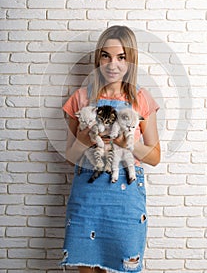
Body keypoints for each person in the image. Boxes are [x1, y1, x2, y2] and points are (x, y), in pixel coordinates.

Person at [60, 25, 161, 273]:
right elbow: (70, 157)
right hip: (88, 195)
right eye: (105, 56)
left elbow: (155, 157)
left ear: (131, 60)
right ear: (98, 59)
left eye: (121, 57)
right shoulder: (81, 98)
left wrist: (127, 144)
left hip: (125, 197)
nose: (112, 65)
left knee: (122, 266)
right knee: (86, 266)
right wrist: (84, 139)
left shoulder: (142, 99)